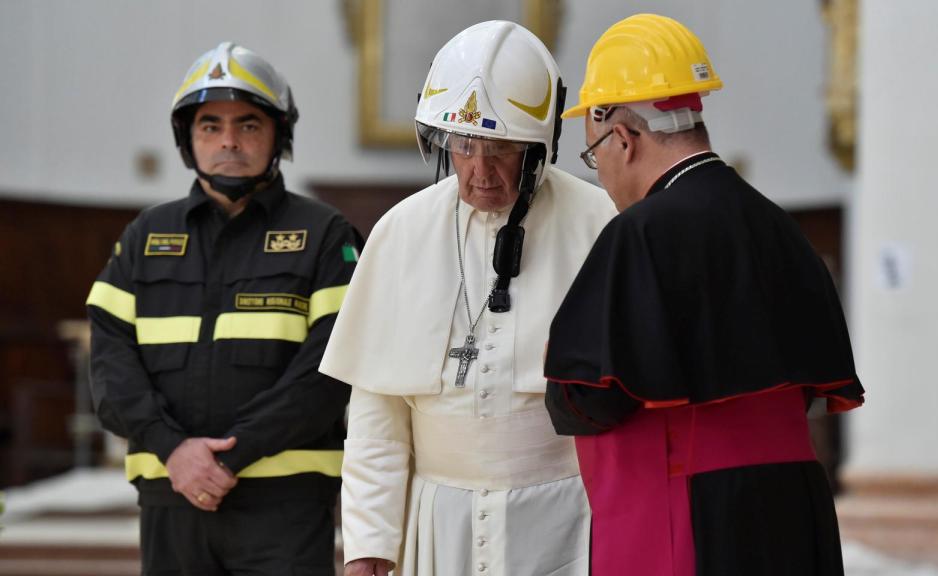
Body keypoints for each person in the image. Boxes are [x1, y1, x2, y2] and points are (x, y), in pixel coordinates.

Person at [544, 14, 866, 576]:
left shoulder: (640, 234)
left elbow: (590, 397)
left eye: (595, 155)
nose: (604, 175)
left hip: (692, 509)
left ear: (623, 137)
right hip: (794, 503)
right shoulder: (780, 227)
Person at [319, 20, 617, 576]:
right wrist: (368, 548)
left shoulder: (600, 224)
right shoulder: (400, 232)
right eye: (463, 145)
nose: (479, 171)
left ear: (537, 147)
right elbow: (376, 420)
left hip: (569, 522)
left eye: (500, 147)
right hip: (437, 524)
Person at [86, 41, 360, 574]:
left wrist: (227, 458)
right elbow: (110, 364)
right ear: (188, 139)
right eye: (210, 126)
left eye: (249, 125)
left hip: (286, 506)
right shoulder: (146, 236)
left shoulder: (325, 234)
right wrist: (176, 452)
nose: (229, 141)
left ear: (279, 134)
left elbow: (330, 370)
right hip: (172, 499)